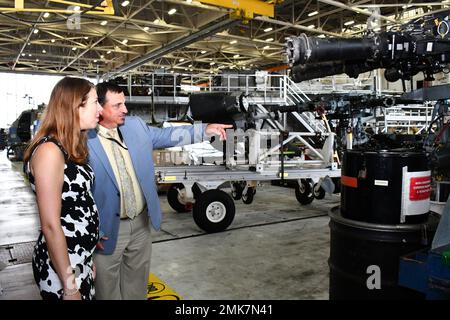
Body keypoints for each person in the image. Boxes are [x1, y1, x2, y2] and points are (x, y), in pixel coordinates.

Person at [88, 82, 232, 300]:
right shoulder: (83, 138)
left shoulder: (134, 126)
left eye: (124, 103)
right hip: (106, 229)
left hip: (140, 224)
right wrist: (91, 230)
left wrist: (204, 130)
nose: (125, 110)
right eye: (117, 105)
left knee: (137, 284)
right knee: (106, 290)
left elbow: (169, 135)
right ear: (99, 107)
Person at [23, 77, 103, 300]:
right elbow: (50, 225)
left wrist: (85, 260)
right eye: (95, 102)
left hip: (77, 259)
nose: (100, 109)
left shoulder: (69, 147)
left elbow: (76, 205)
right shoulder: (50, 151)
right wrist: (69, 286)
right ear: (75, 106)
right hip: (61, 267)